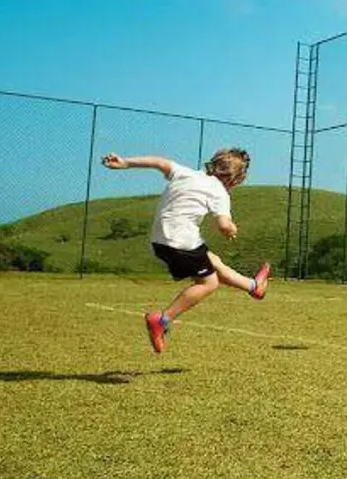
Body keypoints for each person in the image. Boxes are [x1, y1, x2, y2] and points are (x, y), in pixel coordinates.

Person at [100, 148, 271, 353]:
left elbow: (159, 162)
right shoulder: (219, 192)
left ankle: (254, 287)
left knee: (212, 260)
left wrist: (125, 162)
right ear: (234, 180)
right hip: (181, 242)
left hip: (160, 240)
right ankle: (162, 320)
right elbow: (224, 224)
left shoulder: (185, 172)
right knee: (208, 282)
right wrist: (231, 229)